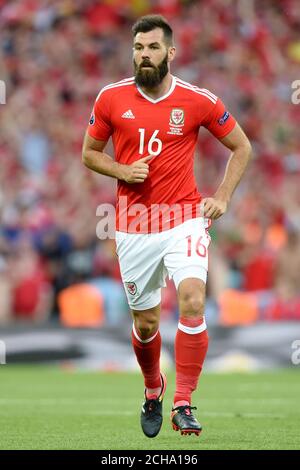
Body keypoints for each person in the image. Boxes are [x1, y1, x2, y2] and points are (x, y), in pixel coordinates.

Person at [82, 14, 251, 438]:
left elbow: (241, 146)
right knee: (146, 325)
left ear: (170, 53)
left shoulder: (199, 100)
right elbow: (89, 153)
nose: (144, 55)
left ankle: (183, 402)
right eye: (138, 48)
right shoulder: (109, 98)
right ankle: (153, 386)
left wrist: (224, 195)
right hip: (135, 224)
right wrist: (122, 169)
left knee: (193, 300)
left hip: (184, 218)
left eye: (153, 47)